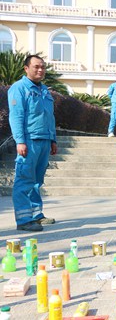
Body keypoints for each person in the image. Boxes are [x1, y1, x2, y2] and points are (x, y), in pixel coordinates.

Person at [8, 54, 58, 231]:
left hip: (44, 140)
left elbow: (50, 116)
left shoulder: (44, 90)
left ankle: (36, 215)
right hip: (29, 141)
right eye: (36, 66)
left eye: (43, 67)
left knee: (37, 181)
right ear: (26, 68)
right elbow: (16, 116)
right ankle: (23, 220)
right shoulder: (19, 88)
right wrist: (20, 141)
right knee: (24, 180)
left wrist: (53, 139)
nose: (40, 70)